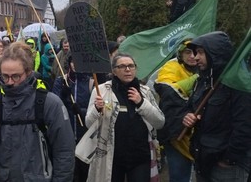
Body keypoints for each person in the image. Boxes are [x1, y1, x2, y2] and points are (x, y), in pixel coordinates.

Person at [0, 42, 75, 181]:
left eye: (16, 76)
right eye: (5, 76)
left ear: (29, 72)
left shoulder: (50, 103)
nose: (10, 82)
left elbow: (64, 151)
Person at [182, 31, 251, 181]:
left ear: (215, 53)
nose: (195, 57)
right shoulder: (201, 81)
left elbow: (245, 126)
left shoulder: (239, 84)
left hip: (227, 167)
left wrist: (229, 159)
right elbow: (190, 108)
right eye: (195, 52)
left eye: (200, 52)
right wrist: (188, 116)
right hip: (202, 160)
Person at [87, 53, 165, 182]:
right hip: (111, 158)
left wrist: (141, 102)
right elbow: (88, 123)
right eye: (122, 66)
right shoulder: (101, 91)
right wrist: (96, 109)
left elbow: (159, 122)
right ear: (114, 71)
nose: (127, 69)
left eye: (131, 66)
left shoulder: (145, 91)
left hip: (140, 157)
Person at [154, 39, 198, 182]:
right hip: (176, 133)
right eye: (188, 52)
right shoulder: (171, 66)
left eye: (197, 52)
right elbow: (168, 90)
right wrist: (199, 79)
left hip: (198, 134)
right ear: (180, 54)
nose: (193, 56)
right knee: (180, 177)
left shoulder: (204, 67)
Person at [53, 55, 93, 182]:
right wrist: (63, 97)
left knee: (85, 171)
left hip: (86, 135)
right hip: (67, 133)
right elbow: (53, 106)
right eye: (72, 61)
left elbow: (97, 109)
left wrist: (81, 111)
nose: (75, 64)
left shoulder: (91, 83)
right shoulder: (61, 81)